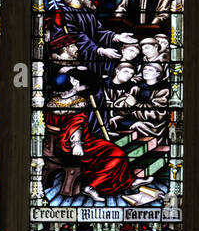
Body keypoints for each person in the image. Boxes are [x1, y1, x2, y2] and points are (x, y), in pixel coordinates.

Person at [43, 68, 138, 201]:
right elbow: (76, 127)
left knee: (113, 152)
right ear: (70, 88)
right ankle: (92, 187)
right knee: (118, 154)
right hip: (79, 145)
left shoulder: (50, 103)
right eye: (73, 81)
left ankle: (130, 182)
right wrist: (77, 144)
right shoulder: (78, 103)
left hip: (53, 146)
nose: (76, 82)